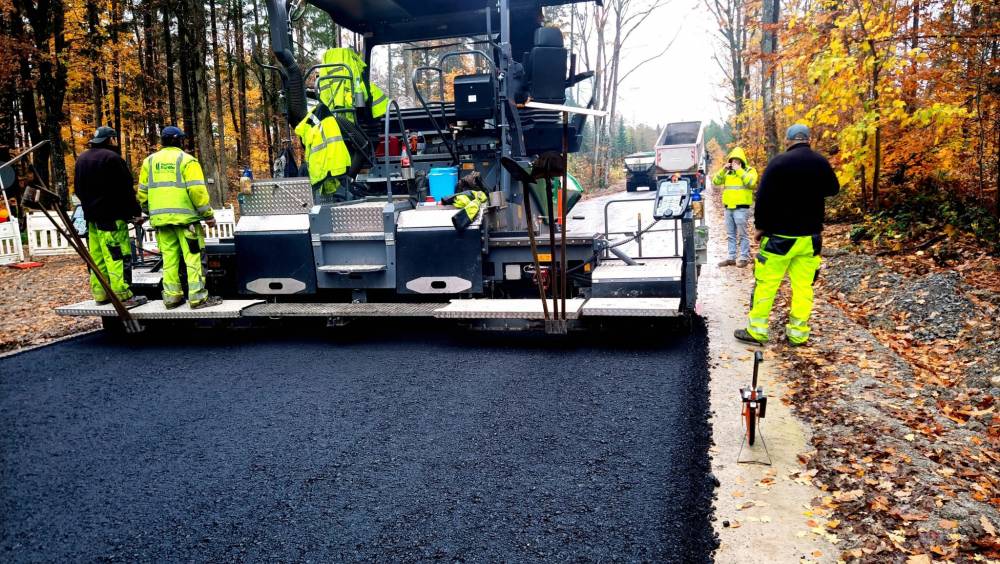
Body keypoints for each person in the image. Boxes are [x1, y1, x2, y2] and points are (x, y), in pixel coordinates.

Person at [734, 124, 840, 346]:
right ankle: (798, 334)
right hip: (810, 238)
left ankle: (757, 330)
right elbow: (833, 189)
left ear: (788, 140)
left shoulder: (778, 163)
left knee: (766, 284)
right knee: (803, 287)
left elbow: (762, 198)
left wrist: (760, 227)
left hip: (779, 238)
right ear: (809, 139)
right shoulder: (820, 162)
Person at [137, 126, 222, 310]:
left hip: (161, 222)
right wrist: (208, 215)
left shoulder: (149, 162)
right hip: (187, 222)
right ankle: (198, 298)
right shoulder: (187, 161)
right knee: (193, 259)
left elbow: (142, 193)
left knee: (169, 260)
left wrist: (149, 211)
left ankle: (172, 297)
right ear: (180, 141)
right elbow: (197, 191)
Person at [74, 126, 147, 307]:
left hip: (92, 218)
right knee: (117, 256)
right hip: (112, 219)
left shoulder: (82, 159)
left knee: (97, 257)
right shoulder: (112, 159)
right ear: (110, 140)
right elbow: (124, 190)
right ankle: (123, 295)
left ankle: (100, 294)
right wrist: (135, 213)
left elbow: (78, 189)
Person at [712, 146, 758, 267]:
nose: (734, 163)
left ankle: (744, 257)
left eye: (737, 161)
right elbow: (715, 182)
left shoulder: (749, 171)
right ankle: (731, 257)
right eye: (733, 160)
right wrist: (723, 170)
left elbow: (751, 183)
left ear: (742, 161)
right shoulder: (727, 172)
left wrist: (739, 170)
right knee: (730, 234)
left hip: (741, 208)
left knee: (742, 234)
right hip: (728, 208)